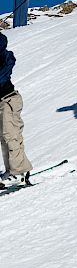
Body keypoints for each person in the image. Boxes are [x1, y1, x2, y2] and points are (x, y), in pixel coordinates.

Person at [0, 31, 32, 189]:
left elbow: (2, 44)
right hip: (1, 102)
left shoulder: (5, 57)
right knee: (4, 139)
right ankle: (11, 171)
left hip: (9, 99)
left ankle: (19, 173)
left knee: (10, 135)